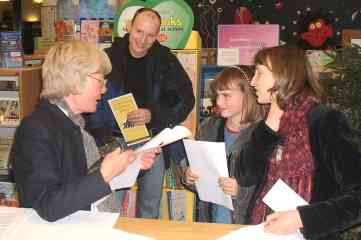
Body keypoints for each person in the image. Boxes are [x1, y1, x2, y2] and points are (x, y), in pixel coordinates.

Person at [11, 41, 159, 222]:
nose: (104, 89)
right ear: (75, 81)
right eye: (100, 80)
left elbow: (83, 178)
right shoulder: (35, 130)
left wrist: (129, 164)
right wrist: (105, 173)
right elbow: (48, 205)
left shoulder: (75, 123)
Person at [236, 45, 361, 239]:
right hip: (263, 231)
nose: (252, 82)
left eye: (259, 73)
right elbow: (245, 176)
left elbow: (357, 196)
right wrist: (269, 127)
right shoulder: (266, 126)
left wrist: (302, 218)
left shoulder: (324, 120)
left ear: (283, 75)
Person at [85, 7, 195, 219]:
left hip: (151, 143)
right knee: (109, 208)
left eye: (150, 35)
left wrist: (153, 114)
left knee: (150, 207)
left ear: (158, 35)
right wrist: (106, 142)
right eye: (139, 32)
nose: (143, 40)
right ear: (129, 27)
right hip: (114, 143)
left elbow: (185, 99)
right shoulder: (108, 58)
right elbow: (92, 105)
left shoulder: (165, 60)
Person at [183, 66, 264, 224]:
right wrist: (190, 177)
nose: (219, 102)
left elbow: (270, 184)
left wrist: (240, 192)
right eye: (217, 95)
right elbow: (201, 184)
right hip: (211, 221)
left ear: (247, 94)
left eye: (226, 95)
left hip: (246, 225)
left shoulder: (262, 134)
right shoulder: (208, 128)